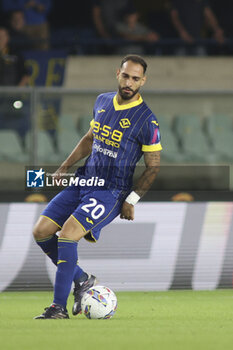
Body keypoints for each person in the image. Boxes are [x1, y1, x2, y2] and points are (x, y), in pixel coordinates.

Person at [33, 54, 162, 319]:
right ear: (118, 73)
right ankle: (82, 279)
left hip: (111, 191)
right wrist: (65, 166)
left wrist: (132, 199)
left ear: (143, 81)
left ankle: (58, 308)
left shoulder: (146, 121)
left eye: (135, 79)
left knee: (68, 235)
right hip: (84, 181)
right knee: (42, 231)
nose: (129, 82)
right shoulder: (102, 101)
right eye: (126, 76)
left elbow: (153, 166)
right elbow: (91, 138)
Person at [0, 27, 30, 137]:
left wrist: (17, 91)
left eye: (2, 36)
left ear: (7, 38)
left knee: (14, 125)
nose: (0, 39)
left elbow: (26, 75)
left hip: (12, 99)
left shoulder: (15, 54)